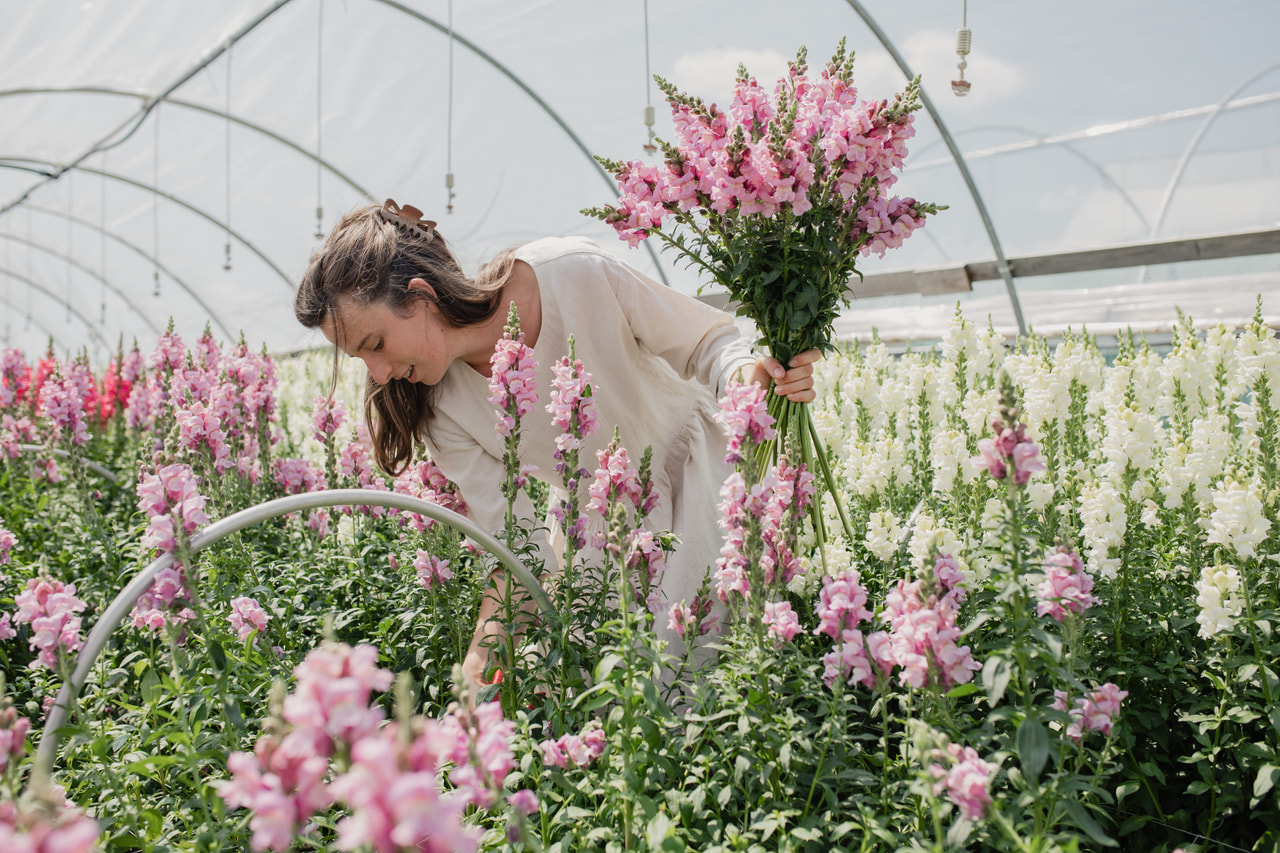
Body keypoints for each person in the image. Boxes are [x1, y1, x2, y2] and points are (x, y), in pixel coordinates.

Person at [295, 199, 818, 691]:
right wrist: (480, 659)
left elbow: (705, 343)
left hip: (707, 478)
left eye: (376, 345)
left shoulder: (571, 273)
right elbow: (518, 547)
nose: (381, 375)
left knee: (706, 671)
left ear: (420, 296)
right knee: (615, 695)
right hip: (604, 528)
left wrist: (751, 378)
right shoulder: (441, 411)